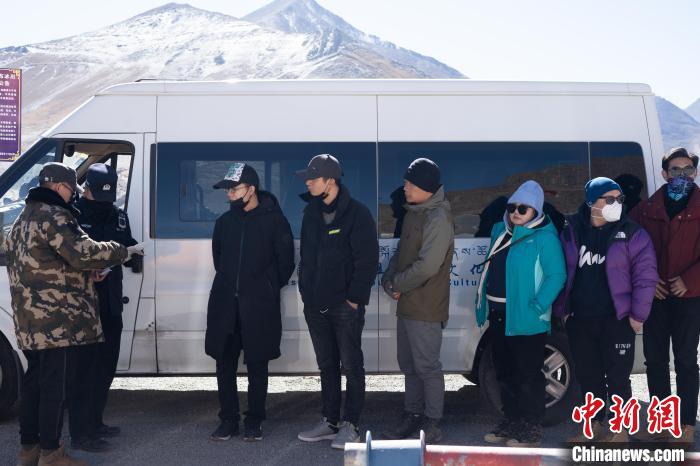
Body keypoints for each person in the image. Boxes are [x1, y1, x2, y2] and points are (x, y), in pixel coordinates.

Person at [4, 162, 139, 466]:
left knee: (34, 384)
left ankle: (29, 449)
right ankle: (51, 453)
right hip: (57, 321)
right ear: (58, 187)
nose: (72, 195)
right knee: (55, 387)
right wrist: (122, 250)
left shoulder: (23, 218)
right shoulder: (55, 216)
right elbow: (84, 252)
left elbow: (47, 263)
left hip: (29, 319)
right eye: (70, 189)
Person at [554, 177, 658, 443]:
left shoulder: (633, 233)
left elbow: (645, 277)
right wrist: (563, 309)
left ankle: (620, 430)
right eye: (609, 199)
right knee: (588, 377)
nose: (616, 204)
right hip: (580, 319)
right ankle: (593, 426)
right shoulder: (571, 230)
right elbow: (558, 270)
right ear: (592, 202)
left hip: (617, 320)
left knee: (618, 378)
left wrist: (638, 315)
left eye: (620, 199)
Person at [206, 162, 295, 442]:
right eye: (228, 190)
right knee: (225, 364)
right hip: (225, 306)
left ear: (251, 189)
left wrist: (264, 287)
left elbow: (285, 263)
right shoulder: (224, 223)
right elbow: (219, 260)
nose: (229, 194)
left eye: (234, 189)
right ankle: (228, 420)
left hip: (259, 306)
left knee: (257, 365)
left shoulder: (275, 221)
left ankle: (254, 420)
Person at [295, 154, 379, 450]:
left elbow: (367, 261)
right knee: (327, 365)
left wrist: (354, 299)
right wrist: (306, 294)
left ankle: (350, 424)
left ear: (330, 181)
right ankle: (330, 421)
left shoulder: (358, 214)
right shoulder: (310, 213)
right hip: (315, 306)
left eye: (312, 178)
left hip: (345, 306)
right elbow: (306, 259)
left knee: (352, 365)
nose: (307, 182)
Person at [475, 180, 566, 447]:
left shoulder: (545, 238)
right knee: (504, 373)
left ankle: (531, 427)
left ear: (536, 211)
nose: (516, 212)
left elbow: (556, 275)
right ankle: (512, 420)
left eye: (523, 209)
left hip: (527, 317)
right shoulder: (499, 231)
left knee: (528, 375)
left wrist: (539, 305)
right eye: (512, 207)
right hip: (499, 312)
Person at [629, 147, 700, 444]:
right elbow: (627, 249)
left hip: (690, 297)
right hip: (655, 298)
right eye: (675, 170)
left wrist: (691, 279)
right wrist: (647, 282)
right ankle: (661, 422)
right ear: (664, 173)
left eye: (687, 169)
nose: (682, 175)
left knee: (685, 360)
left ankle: (685, 424)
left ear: (695, 172)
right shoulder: (645, 210)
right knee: (655, 360)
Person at [381, 158, 454, 444]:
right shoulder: (413, 212)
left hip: (426, 305)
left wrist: (397, 284)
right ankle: (412, 414)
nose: (405, 188)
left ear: (425, 186)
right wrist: (389, 279)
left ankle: (433, 421)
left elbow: (427, 266)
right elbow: (402, 253)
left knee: (427, 367)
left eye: (410, 183)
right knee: (409, 365)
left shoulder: (438, 217)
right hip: (408, 303)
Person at [70, 163, 139, 450]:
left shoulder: (118, 216)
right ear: (86, 189)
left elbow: (127, 245)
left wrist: (134, 253)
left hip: (110, 304)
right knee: (83, 372)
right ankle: (81, 434)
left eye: (108, 197)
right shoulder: (72, 215)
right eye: (99, 195)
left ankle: (96, 422)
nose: (104, 203)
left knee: (106, 368)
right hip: (83, 306)